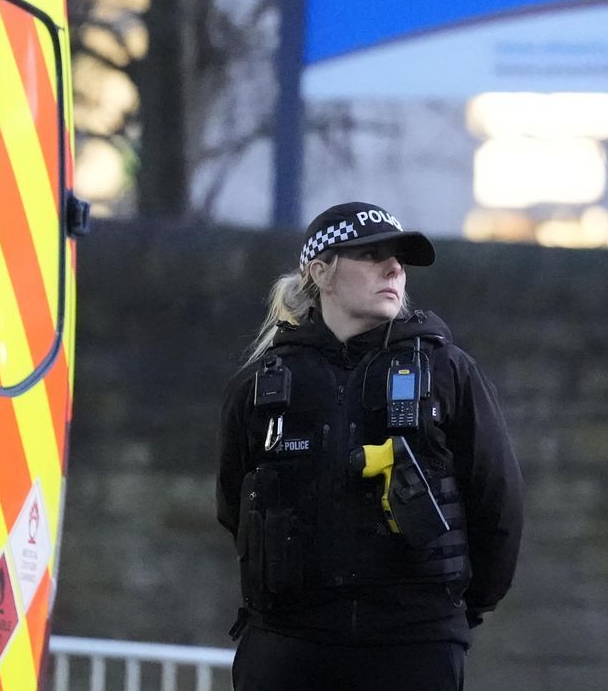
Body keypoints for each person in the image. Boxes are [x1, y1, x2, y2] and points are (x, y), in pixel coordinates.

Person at [218, 201, 523, 691]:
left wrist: (454, 613)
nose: (394, 268)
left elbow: (497, 501)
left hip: (413, 644)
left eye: (399, 258)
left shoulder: (446, 370)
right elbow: (235, 503)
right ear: (322, 272)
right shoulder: (262, 384)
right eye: (371, 254)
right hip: (288, 643)